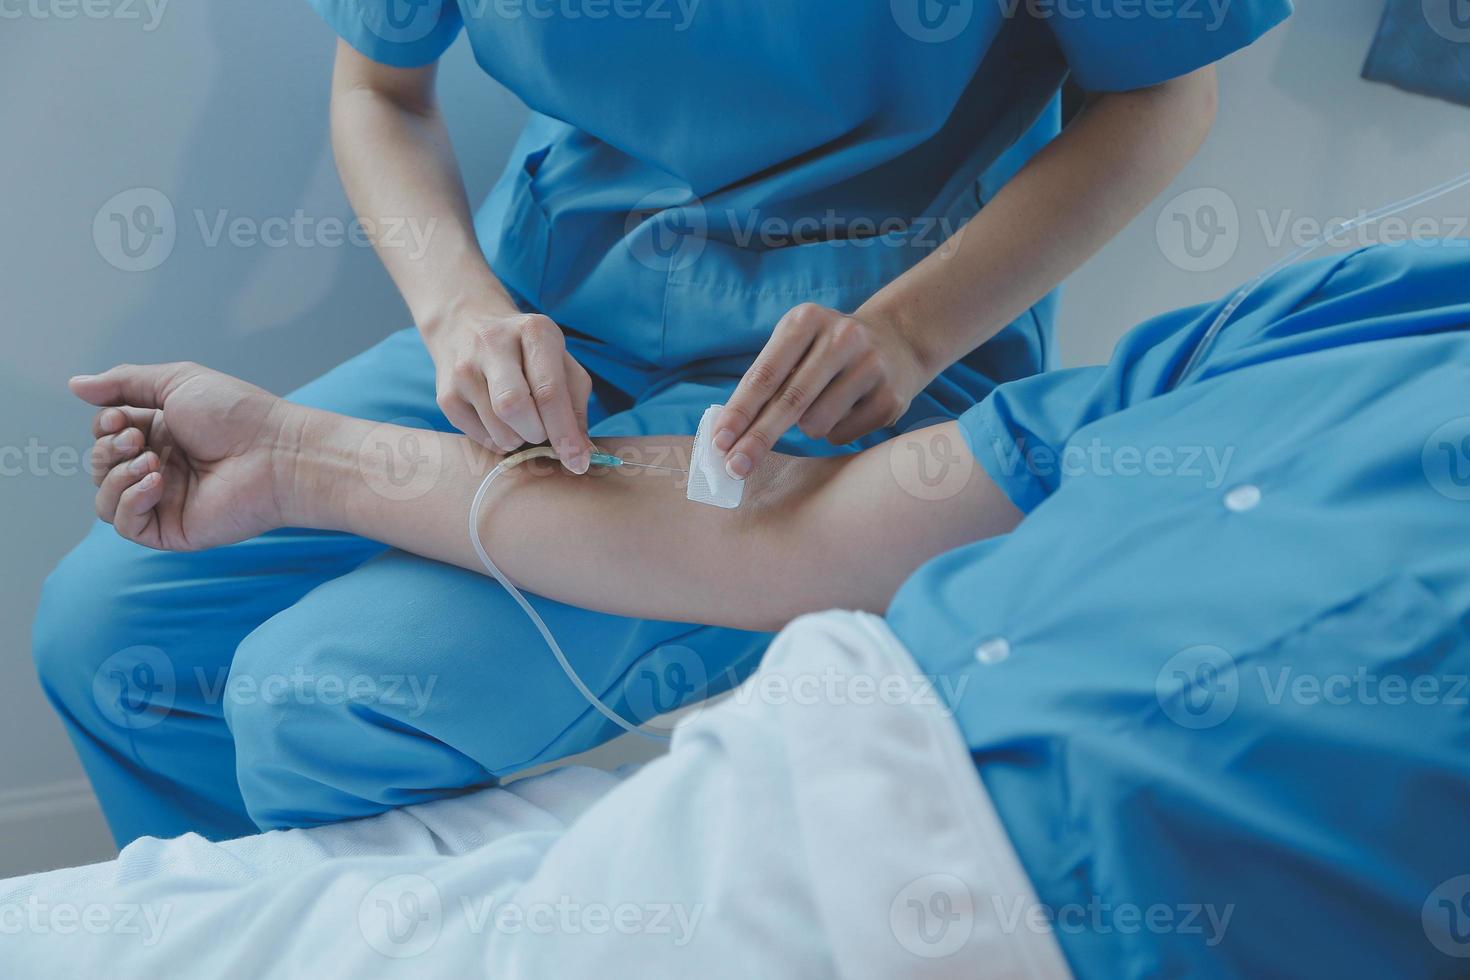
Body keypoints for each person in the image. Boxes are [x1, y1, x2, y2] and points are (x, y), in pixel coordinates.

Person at [34, 0, 1292, 843]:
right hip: (546, 321)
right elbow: (380, 85)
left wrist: (911, 333)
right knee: (109, 635)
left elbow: (1163, 96)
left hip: (855, 363)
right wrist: (458, 311)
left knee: (324, 697)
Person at [60, 241, 1470, 975]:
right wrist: (305, 460)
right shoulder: (1360, 311)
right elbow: (798, 528)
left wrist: (913, 330)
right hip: (731, 804)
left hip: (987, 918)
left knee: (320, 702)